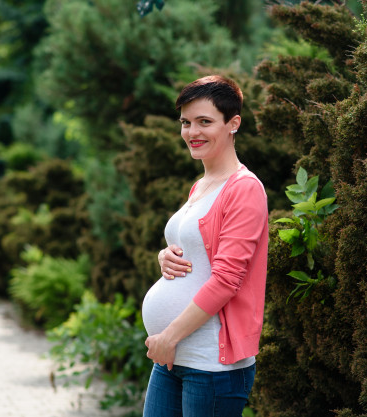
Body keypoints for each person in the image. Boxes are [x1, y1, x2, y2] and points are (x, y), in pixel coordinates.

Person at [141, 75, 269, 417]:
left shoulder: (244, 188)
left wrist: (169, 336)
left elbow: (227, 279)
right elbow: (197, 253)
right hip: (172, 358)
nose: (192, 132)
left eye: (204, 122)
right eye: (186, 122)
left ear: (233, 123)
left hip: (212, 365)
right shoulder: (200, 186)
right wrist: (165, 255)